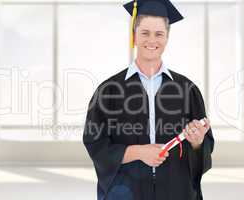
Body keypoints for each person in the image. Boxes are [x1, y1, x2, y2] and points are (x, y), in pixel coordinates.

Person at [83, 0, 215, 199]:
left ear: (167, 37)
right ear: (134, 35)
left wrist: (197, 142)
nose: (152, 40)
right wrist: (138, 152)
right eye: (145, 32)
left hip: (175, 191)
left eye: (159, 34)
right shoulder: (109, 91)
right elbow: (95, 143)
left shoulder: (187, 90)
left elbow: (204, 147)